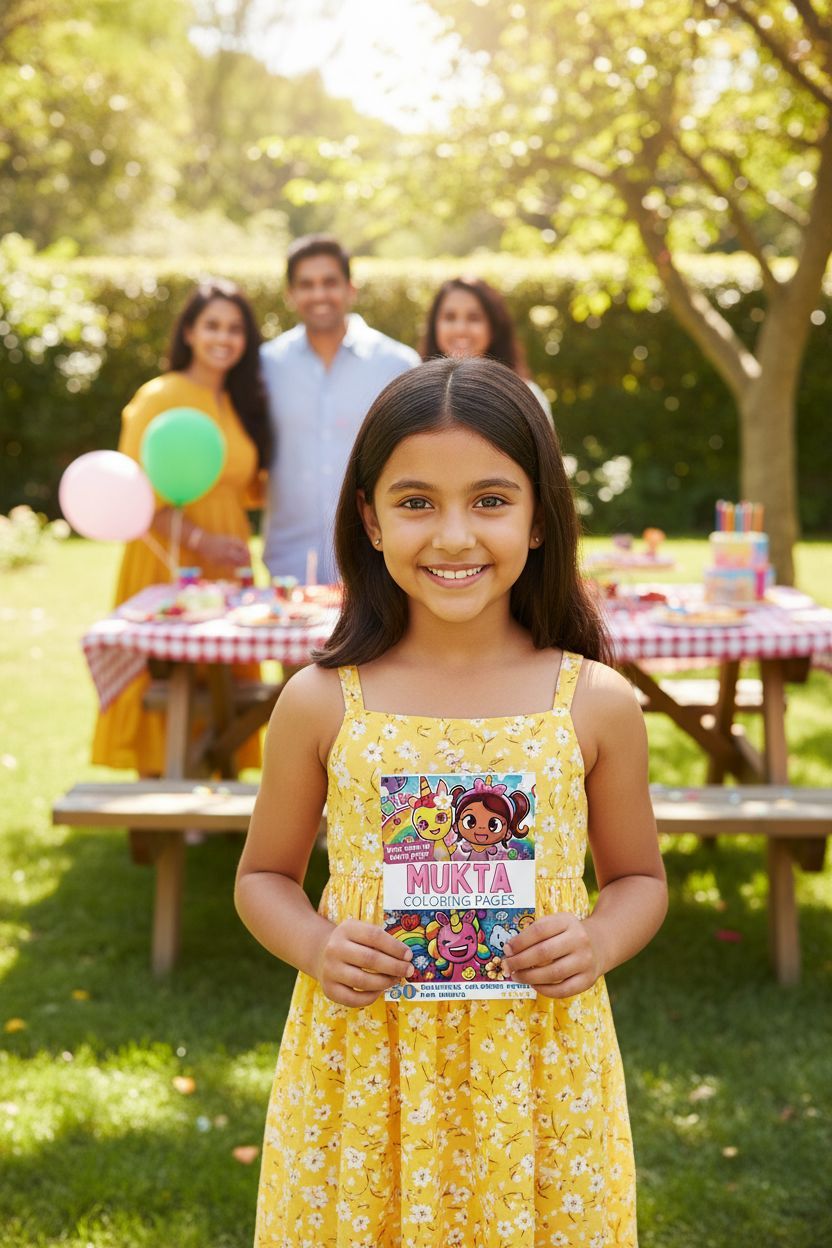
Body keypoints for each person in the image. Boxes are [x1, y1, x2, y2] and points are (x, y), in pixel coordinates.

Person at [235, 356, 667, 1246]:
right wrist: (317, 945)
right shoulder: (321, 702)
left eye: (492, 500)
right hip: (363, 1074)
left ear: (540, 517)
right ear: (371, 517)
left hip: (540, 1073)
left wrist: (596, 938)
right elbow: (262, 877)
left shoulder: (595, 703)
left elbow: (640, 881)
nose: (455, 535)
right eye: (417, 502)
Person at [92, 280, 270, 775]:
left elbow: (251, 486)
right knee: (169, 675)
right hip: (167, 554)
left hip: (228, 555)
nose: (223, 337)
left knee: (223, 677)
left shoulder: (241, 400)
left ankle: (214, 773)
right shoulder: (159, 396)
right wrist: (201, 540)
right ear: (189, 331)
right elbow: (137, 491)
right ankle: (162, 780)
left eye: (235, 328)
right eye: (212, 325)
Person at [260, 234, 419, 584]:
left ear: (351, 288)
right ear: (290, 294)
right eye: (306, 284)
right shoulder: (266, 365)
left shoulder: (398, 365)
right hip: (288, 558)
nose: (319, 294)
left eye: (329, 282)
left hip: (375, 558)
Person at [422, 274, 553, 419]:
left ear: (494, 327)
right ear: (435, 325)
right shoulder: (415, 394)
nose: (460, 329)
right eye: (449, 317)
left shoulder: (527, 397)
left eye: (474, 318)